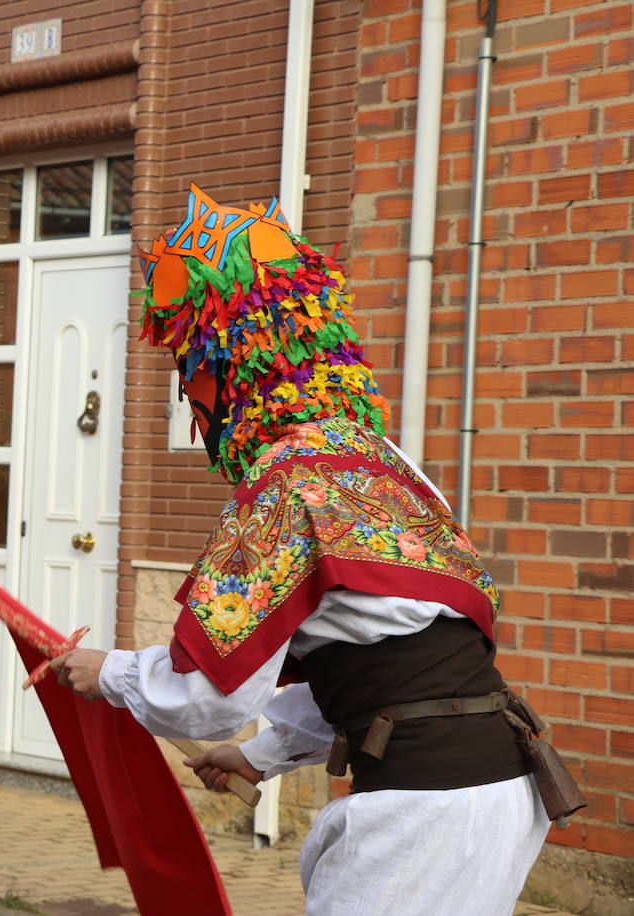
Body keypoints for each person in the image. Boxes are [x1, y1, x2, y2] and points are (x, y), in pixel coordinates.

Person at [49, 185, 577, 915]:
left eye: (188, 368)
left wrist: (107, 671)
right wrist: (257, 757)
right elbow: (381, 661)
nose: (187, 393)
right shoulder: (387, 464)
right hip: (493, 792)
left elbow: (205, 695)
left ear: (229, 367)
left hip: (428, 807)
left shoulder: (286, 483)